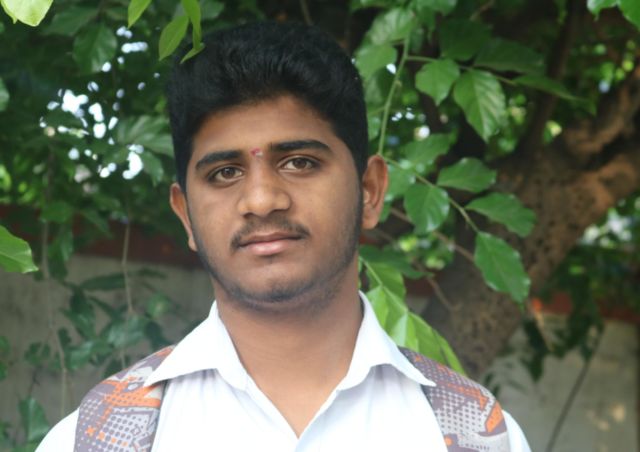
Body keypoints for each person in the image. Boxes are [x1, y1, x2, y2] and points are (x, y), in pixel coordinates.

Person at [38, 21, 530, 451]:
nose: (261, 199)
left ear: (370, 190)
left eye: (299, 162)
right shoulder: (94, 439)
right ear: (185, 215)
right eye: (225, 172)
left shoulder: (476, 436)